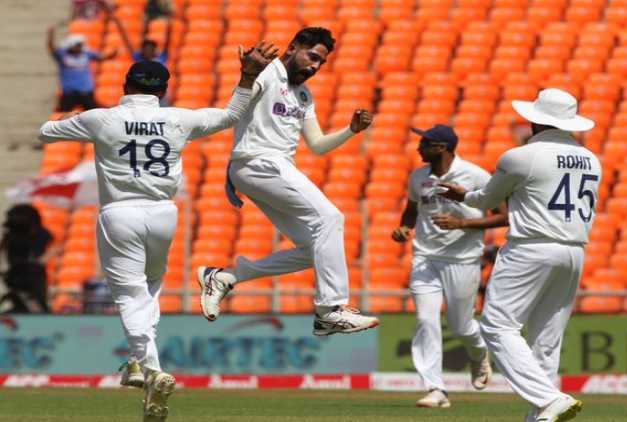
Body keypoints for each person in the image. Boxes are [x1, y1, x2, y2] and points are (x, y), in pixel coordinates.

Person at [37, 41, 279, 422]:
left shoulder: (103, 119)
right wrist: (248, 76)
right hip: (164, 214)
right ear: (163, 90)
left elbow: (46, 132)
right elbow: (233, 115)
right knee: (150, 286)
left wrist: (75, 121)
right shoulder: (179, 119)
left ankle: (149, 365)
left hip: (120, 212)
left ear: (125, 85)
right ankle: (138, 362)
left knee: (130, 294)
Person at [196, 27, 380, 336]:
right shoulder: (266, 74)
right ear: (293, 47)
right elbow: (234, 109)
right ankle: (330, 309)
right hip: (258, 161)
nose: (314, 66)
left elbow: (318, 145)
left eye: (321, 63)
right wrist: (247, 75)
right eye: (312, 57)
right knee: (331, 218)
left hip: (271, 168)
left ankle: (225, 277)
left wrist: (351, 131)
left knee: (314, 249)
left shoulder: (304, 95)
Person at [439, 88, 600, 422]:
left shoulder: (521, 156)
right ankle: (541, 415)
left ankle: (548, 398)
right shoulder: (591, 158)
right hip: (574, 251)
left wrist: (464, 195)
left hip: (531, 247)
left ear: (536, 120)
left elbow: (485, 200)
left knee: (497, 326)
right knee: (547, 337)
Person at [391, 125, 507, 408]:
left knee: (462, 327)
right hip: (425, 259)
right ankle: (436, 389)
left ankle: (479, 354)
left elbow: (504, 217)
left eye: (424, 144)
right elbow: (410, 211)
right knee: (425, 320)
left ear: (441, 147)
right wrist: (404, 229)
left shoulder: (476, 175)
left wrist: (462, 223)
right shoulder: (419, 177)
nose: (419, 148)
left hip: (463, 260)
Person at [47, 25, 118, 111]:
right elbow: (52, 48)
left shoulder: (86, 54)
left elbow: (102, 57)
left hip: (86, 92)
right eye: (78, 45)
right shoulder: (63, 55)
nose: (80, 47)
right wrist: (51, 35)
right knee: (62, 115)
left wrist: (112, 54)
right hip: (69, 93)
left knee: (93, 114)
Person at [0, 204, 54, 314]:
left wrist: (40, 260)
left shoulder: (41, 233)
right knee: (23, 304)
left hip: (33, 274)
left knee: (36, 306)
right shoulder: (12, 234)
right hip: (16, 273)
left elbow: (53, 247)